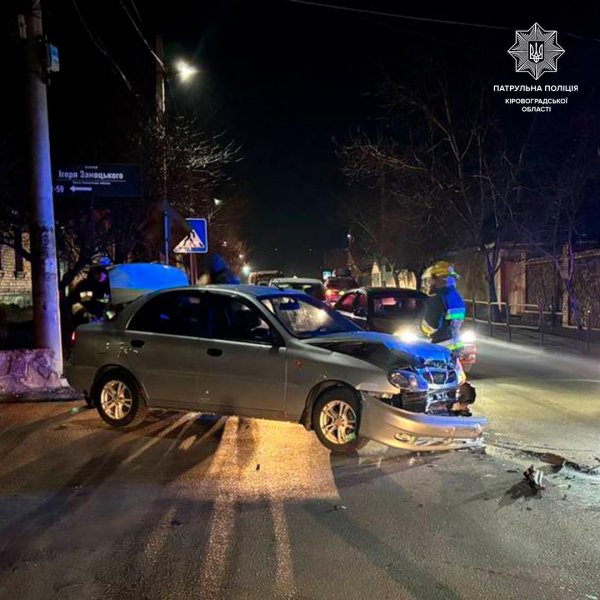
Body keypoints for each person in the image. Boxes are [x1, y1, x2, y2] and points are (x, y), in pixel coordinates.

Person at [420, 260, 466, 354]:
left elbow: (430, 327)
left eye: (429, 280)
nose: (429, 284)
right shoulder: (456, 297)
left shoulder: (436, 298)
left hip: (440, 347)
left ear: (436, 279)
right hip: (456, 345)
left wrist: (419, 328)